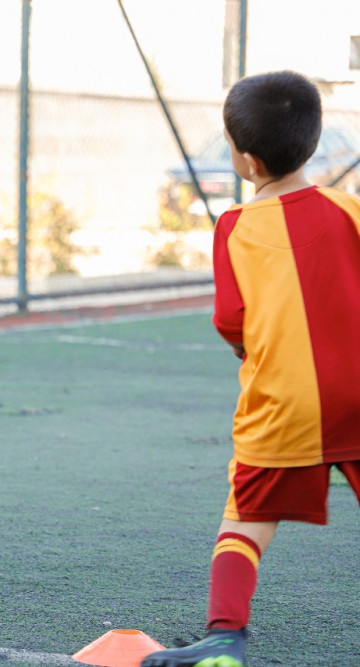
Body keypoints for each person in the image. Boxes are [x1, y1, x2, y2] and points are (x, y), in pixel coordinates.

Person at [142, 70, 360, 667]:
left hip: (283, 401)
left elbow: (230, 319)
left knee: (248, 518)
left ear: (246, 159)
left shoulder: (234, 229)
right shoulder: (350, 210)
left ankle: (224, 637)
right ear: (312, 140)